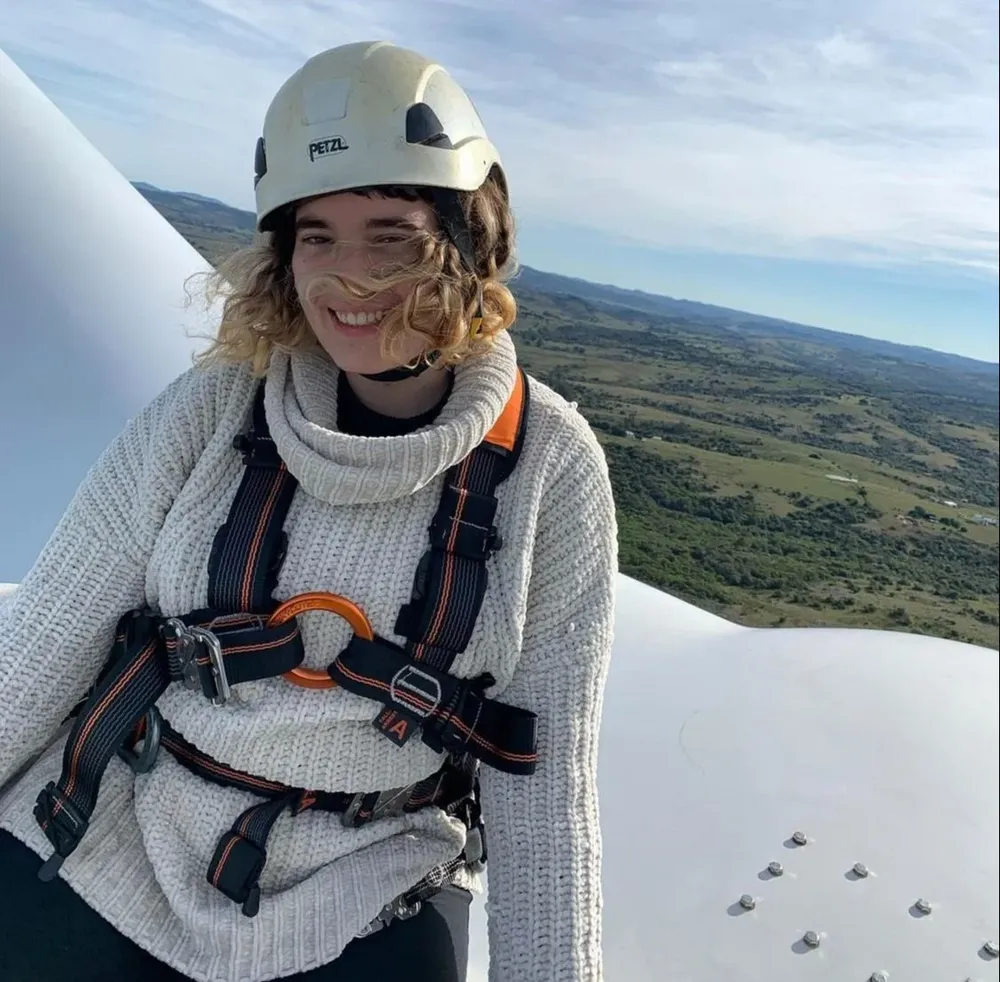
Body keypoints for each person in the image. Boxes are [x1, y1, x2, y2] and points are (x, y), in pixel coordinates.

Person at [0, 40, 617, 982]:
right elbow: (45, 646)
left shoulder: (549, 469)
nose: (346, 277)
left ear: (467, 238)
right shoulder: (214, 408)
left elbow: (544, 792)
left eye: (391, 234)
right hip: (120, 834)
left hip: (367, 887)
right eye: (315, 235)